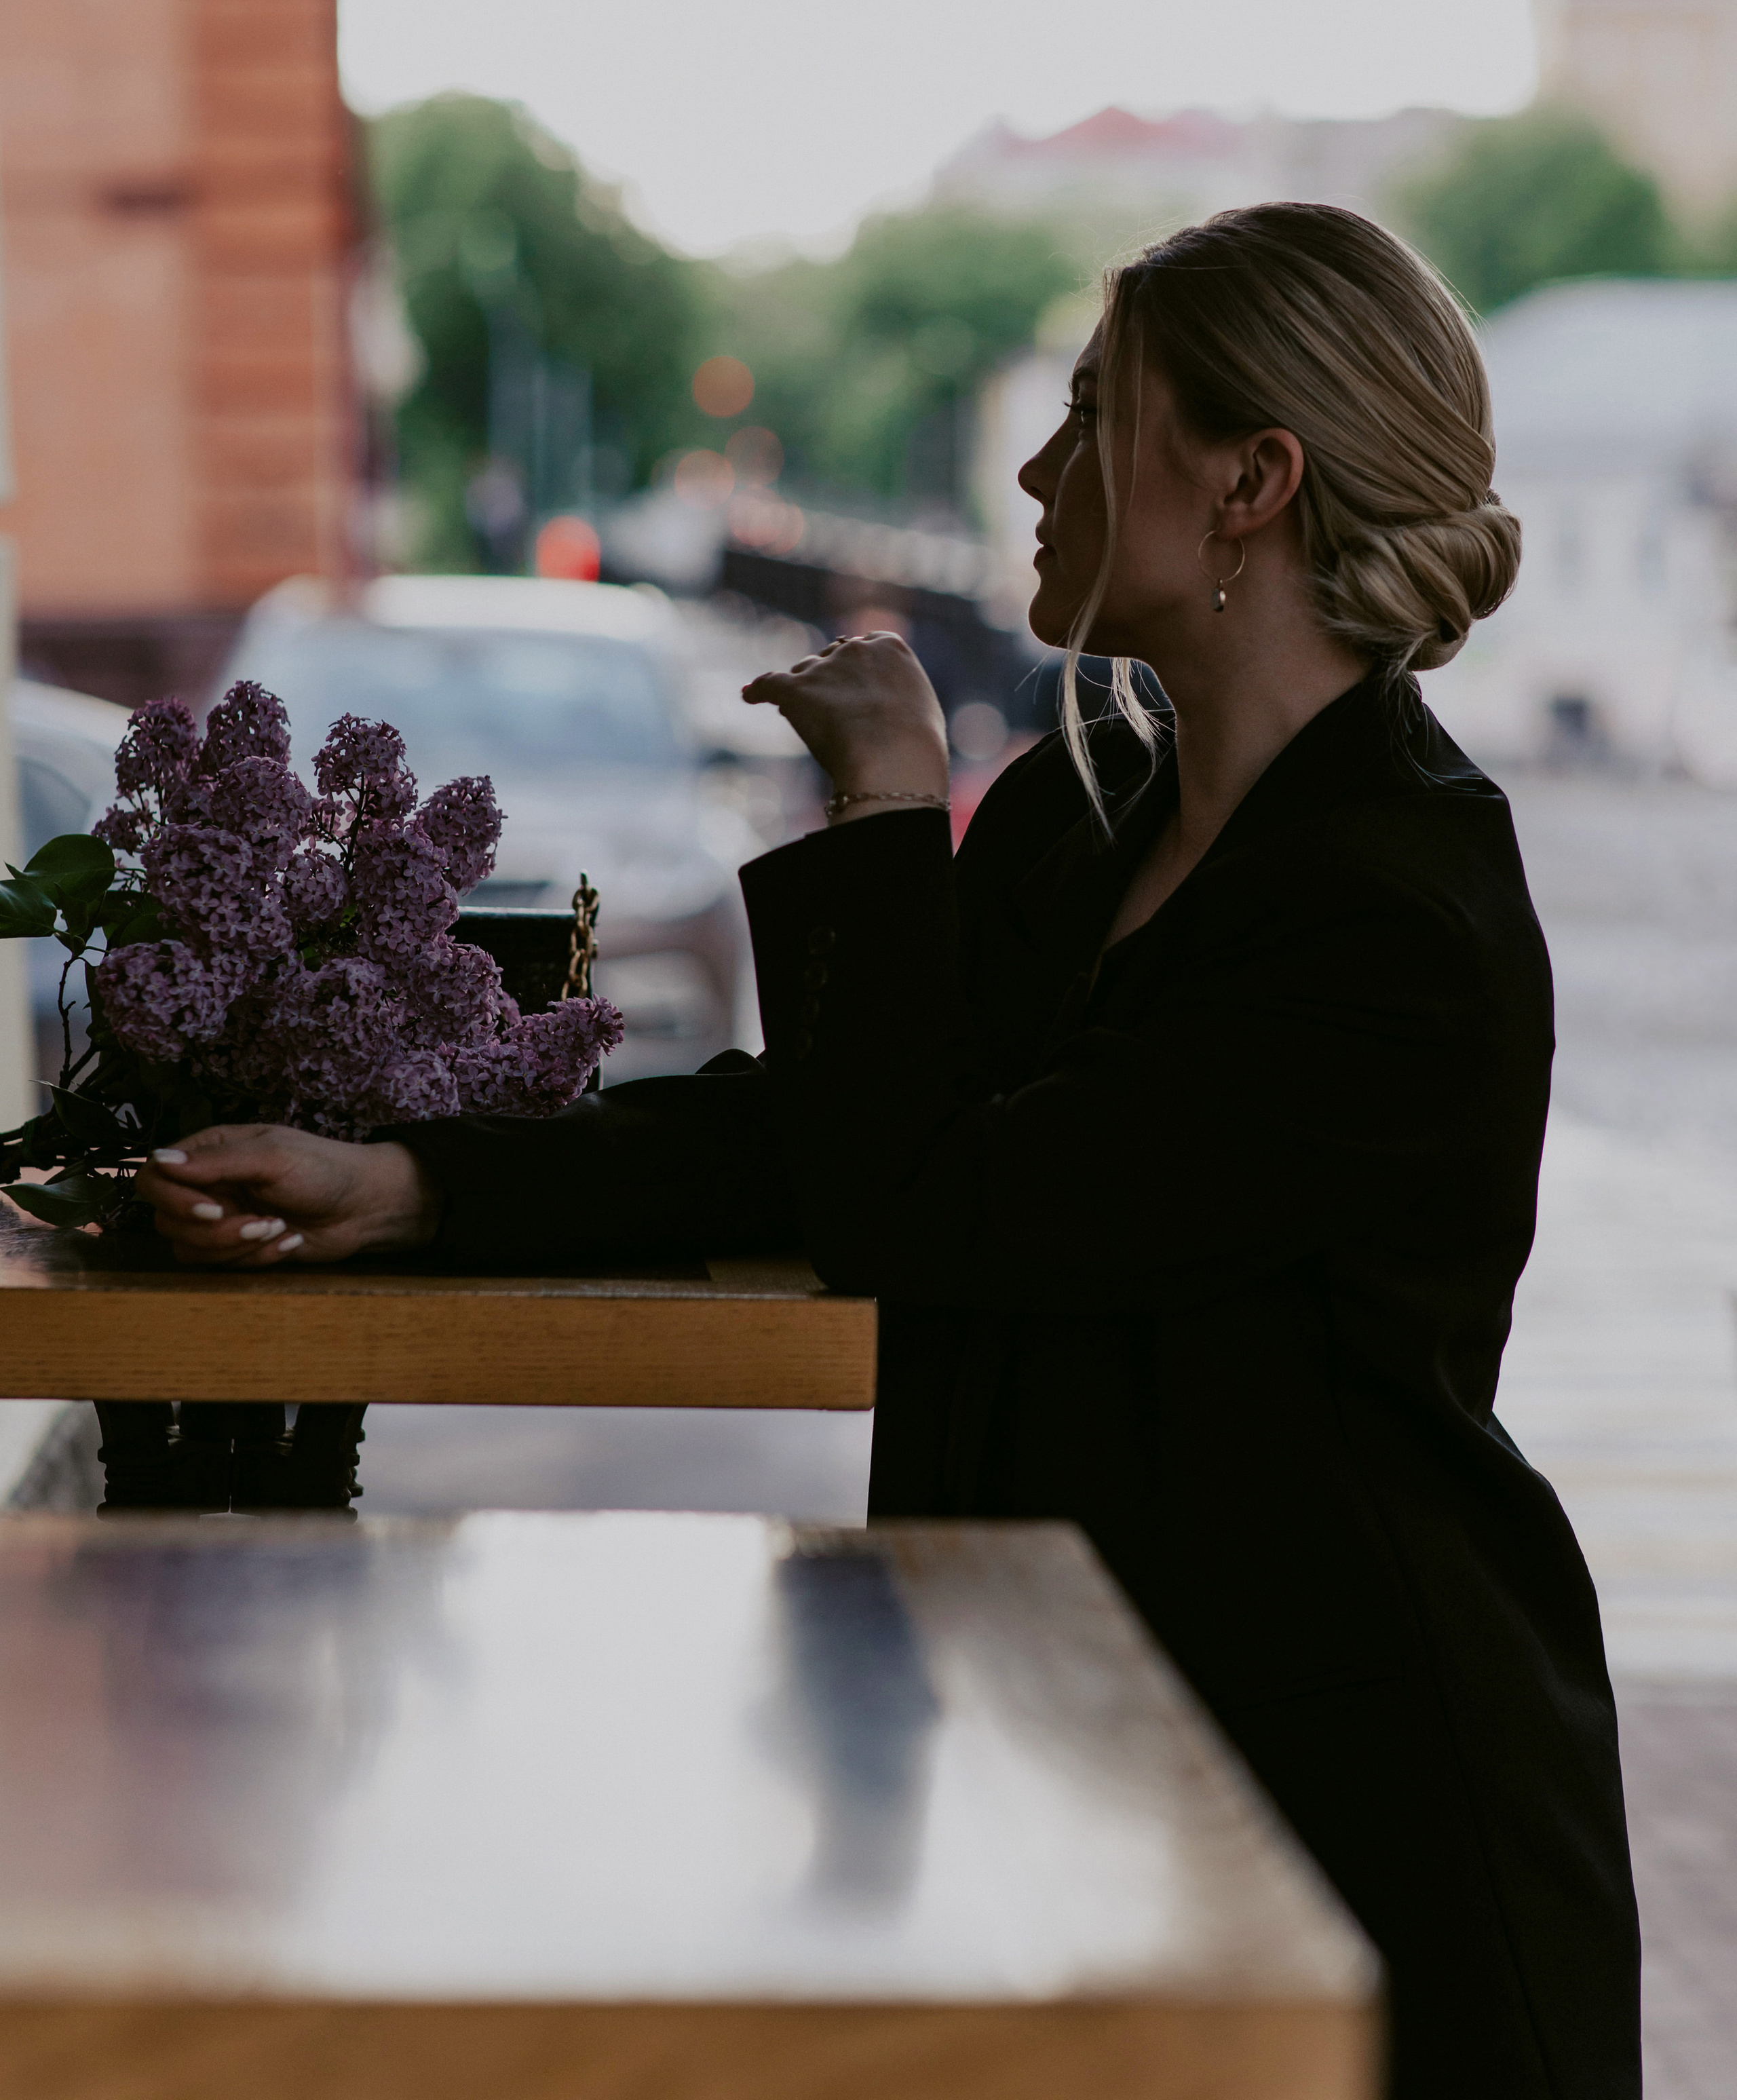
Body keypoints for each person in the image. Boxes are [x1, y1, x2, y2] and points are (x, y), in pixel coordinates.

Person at [140, 204, 1640, 2099]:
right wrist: (415, 1182)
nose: (1032, 471)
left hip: (1357, 1804)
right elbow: (818, 1126)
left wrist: (882, 805)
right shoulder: (1091, 818)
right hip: (1071, 1749)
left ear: (1253, 482)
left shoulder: (1392, 912)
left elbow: (934, 1208)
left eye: (1092, 416)